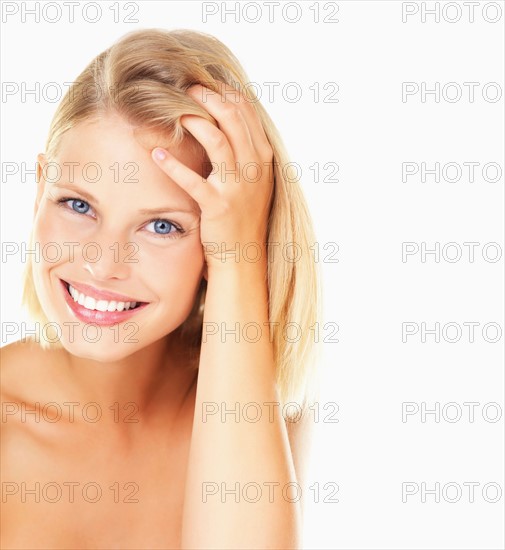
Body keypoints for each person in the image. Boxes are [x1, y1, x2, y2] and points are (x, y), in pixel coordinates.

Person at [0, 28, 322, 549]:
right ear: (39, 189)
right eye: (78, 205)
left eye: (162, 226)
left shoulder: (257, 404)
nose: (103, 265)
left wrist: (240, 260)